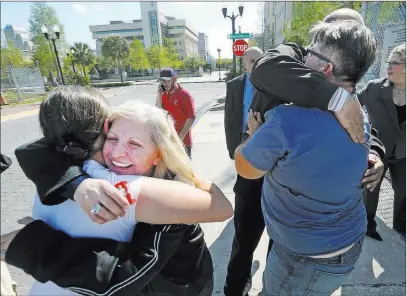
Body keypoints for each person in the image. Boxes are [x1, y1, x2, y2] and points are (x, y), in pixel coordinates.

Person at [4, 86, 233, 295]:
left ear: (159, 154)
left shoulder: (52, 172)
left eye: (134, 144)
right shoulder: (116, 186)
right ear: (104, 127)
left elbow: (31, 150)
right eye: (113, 138)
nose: (118, 153)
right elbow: (221, 207)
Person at [235, 20, 376, 295]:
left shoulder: (287, 120)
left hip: (300, 261)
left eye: (311, 53)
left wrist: (254, 138)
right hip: (348, 247)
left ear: (326, 68)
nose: (303, 59)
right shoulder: (361, 116)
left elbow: (245, 169)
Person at [224, 46, 273, 296]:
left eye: (261, 60)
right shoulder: (234, 85)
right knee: (243, 236)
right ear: (244, 63)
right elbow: (230, 118)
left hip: (275, 169)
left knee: (276, 237)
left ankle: (272, 284)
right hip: (246, 160)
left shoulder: (278, 83)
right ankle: (235, 286)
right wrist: (234, 150)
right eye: (252, 60)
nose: (257, 64)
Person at [359, 43, 406, 240]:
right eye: (388, 61)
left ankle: (400, 229)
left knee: (403, 192)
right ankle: (367, 226)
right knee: (371, 189)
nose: (388, 66)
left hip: (404, 153)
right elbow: (352, 104)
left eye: (394, 63)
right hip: (378, 150)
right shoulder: (374, 88)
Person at [156, 68, 196, 157]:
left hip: (183, 143)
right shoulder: (164, 95)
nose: (165, 84)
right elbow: (158, 112)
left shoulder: (185, 95)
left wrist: (180, 138)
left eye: (167, 81)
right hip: (168, 141)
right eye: (163, 81)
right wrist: (158, 95)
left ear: (174, 79)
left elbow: (191, 117)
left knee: (184, 170)